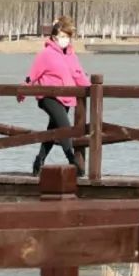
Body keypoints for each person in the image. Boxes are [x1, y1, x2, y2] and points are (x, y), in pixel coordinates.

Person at [18, 15, 90, 177]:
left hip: (66, 98)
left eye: (67, 36)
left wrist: (93, 88)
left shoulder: (72, 56)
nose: (65, 40)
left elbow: (79, 75)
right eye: (62, 36)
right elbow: (32, 75)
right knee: (64, 127)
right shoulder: (46, 54)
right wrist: (23, 89)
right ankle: (72, 162)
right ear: (54, 37)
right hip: (48, 97)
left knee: (53, 130)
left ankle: (39, 161)